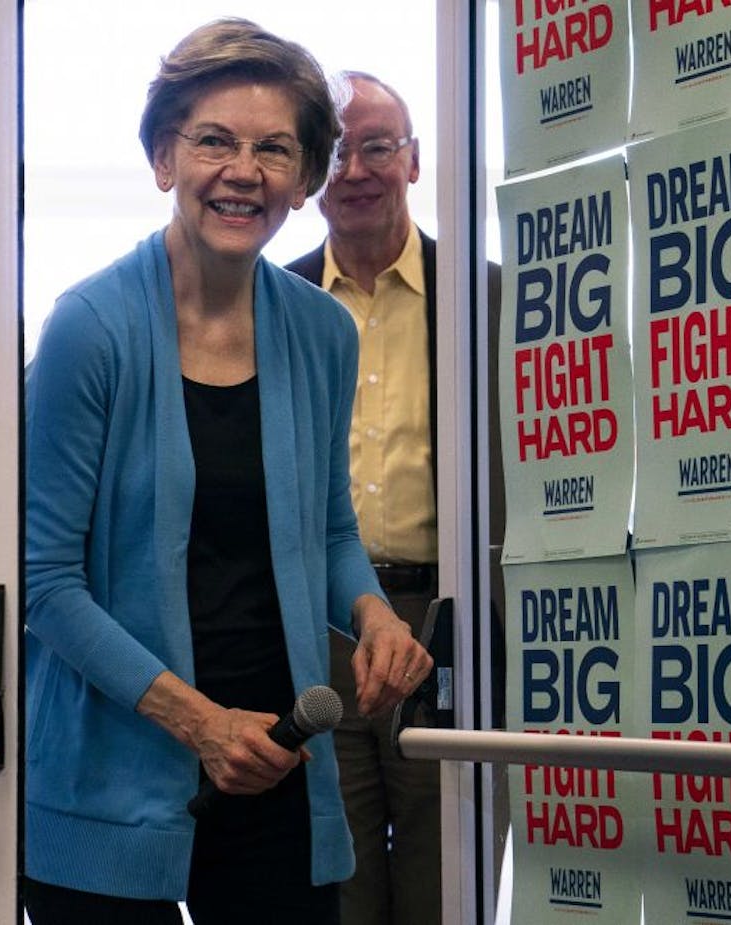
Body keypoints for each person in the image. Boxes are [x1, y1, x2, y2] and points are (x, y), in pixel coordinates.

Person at [22, 20, 433, 925]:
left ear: (305, 178)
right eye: (214, 140)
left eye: (274, 148)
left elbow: (326, 528)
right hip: (115, 764)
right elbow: (44, 584)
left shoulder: (322, 331)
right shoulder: (88, 328)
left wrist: (369, 612)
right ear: (164, 157)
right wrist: (201, 723)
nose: (243, 170)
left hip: (279, 753)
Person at [285, 72, 443, 925]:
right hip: (319, 633)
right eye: (335, 150)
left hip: (443, 628)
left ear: (413, 161)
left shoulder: (483, 297)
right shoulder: (272, 302)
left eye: (375, 146)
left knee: (440, 871)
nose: (353, 170)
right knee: (335, 881)